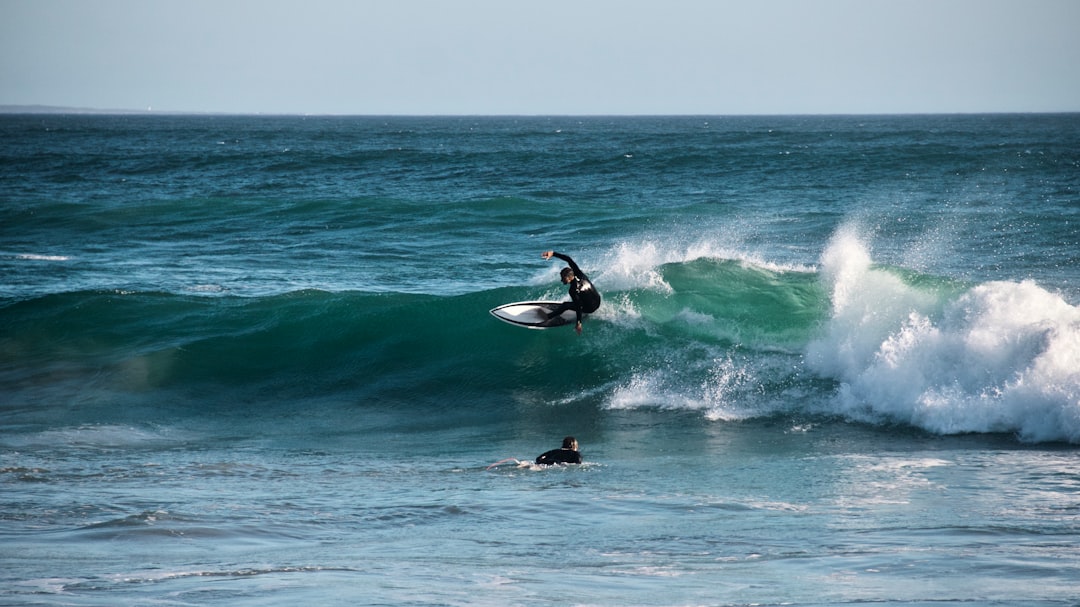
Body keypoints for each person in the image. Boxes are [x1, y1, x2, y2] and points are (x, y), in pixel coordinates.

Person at [541, 250, 601, 334]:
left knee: (565, 305)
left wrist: (578, 322)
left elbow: (578, 307)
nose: (561, 280)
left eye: (563, 278)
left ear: (569, 278)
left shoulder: (573, 290)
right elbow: (569, 259)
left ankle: (548, 316)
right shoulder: (579, 274)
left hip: (590, 309)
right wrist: (553, 254)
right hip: (598, 300)